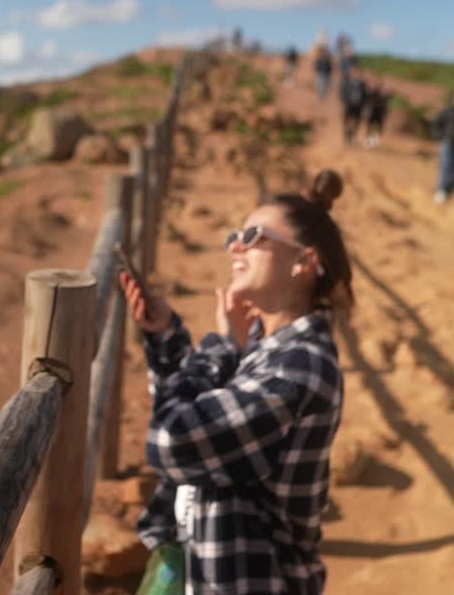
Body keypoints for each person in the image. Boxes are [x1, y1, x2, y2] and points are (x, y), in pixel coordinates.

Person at [122, 170, 353, 595]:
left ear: (304, 261)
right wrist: (167, 336)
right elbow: (192, 403)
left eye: (253, 235)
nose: (235, 246)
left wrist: (223, 344)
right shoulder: (267, 348)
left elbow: (174, 441)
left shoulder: (298, 367)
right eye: (234, 235)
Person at [342, 74, 367, 145]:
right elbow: (343, 93)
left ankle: (353, 136)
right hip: (349, 105)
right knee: (347, 121)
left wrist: (364, 105)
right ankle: (346, 136)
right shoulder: (348, 84)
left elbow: (365, 96)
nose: (357, 76)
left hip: (358, 106)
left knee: (357, 122)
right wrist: (345, 101)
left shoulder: (363, 85)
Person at [364, 80, 390, 148]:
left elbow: (386, 105)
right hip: (373, 112)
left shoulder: (383, 95)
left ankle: (376, 140)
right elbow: (368, 102)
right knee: (370, 126)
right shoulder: (372, 93)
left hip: (379, 113)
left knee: (379, 127)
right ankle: (369, 140)